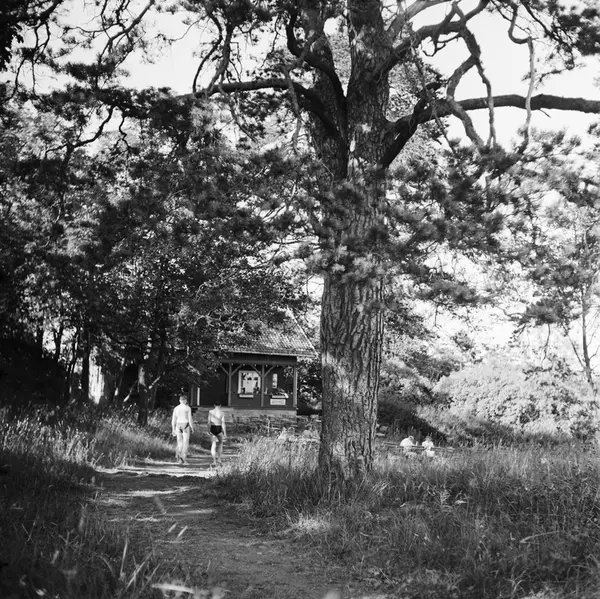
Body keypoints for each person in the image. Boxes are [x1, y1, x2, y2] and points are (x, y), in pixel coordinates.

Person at [172, 395, 194, 465]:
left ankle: (178, 457)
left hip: (178, 424)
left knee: (179, 442)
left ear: (179, 401)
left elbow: (173, 419)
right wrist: (192, 427)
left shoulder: (176, 408)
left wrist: (173, 429)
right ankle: (183, 458)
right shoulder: (187, 408)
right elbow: (190, 419)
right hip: (185, 424)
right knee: (185, 443)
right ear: (186, 401)